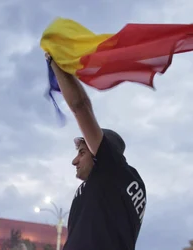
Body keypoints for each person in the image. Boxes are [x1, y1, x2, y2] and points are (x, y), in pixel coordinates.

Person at [46, 54, 147, 250]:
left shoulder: (114, 170)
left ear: (101, 155)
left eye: (82, 152)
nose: (74, 161)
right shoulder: (113, 185)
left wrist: (56, 61)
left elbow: (80, 106)